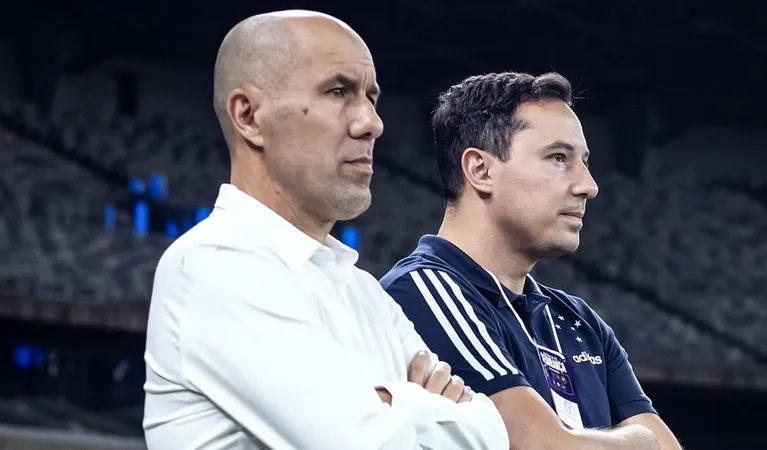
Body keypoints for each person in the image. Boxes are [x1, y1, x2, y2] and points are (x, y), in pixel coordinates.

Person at [141, 10, 509, 450]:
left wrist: (393, 405)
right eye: (338, 91)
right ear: (249, 116)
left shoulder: (365, 292)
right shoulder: (213, 267)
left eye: (371, 97)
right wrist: (427, 405)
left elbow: (493, 434)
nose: (372, 123)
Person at [380, 71, 682, 450]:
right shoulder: (422, 293)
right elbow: (540, 446)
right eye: (558, 158)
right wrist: (639, 441)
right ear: (480, 170)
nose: (589, 186)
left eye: (584, 162)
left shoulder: (579, 321)